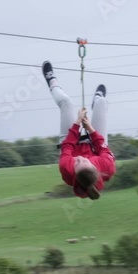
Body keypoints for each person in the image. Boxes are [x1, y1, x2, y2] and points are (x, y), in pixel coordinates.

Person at [42, 60, 116, 200]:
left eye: (77, 163)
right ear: (95, 167)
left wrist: (77, 123)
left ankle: (52, 81)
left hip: (71, 145)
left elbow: (68, 146)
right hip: (95, 146)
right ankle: (97, 98)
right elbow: (102, 148)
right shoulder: (107, 167)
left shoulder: (66, 168)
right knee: (101, 103)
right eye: (85, 162)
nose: (81, 158)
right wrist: (91, 130)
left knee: (66, 102)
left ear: (74, 172)